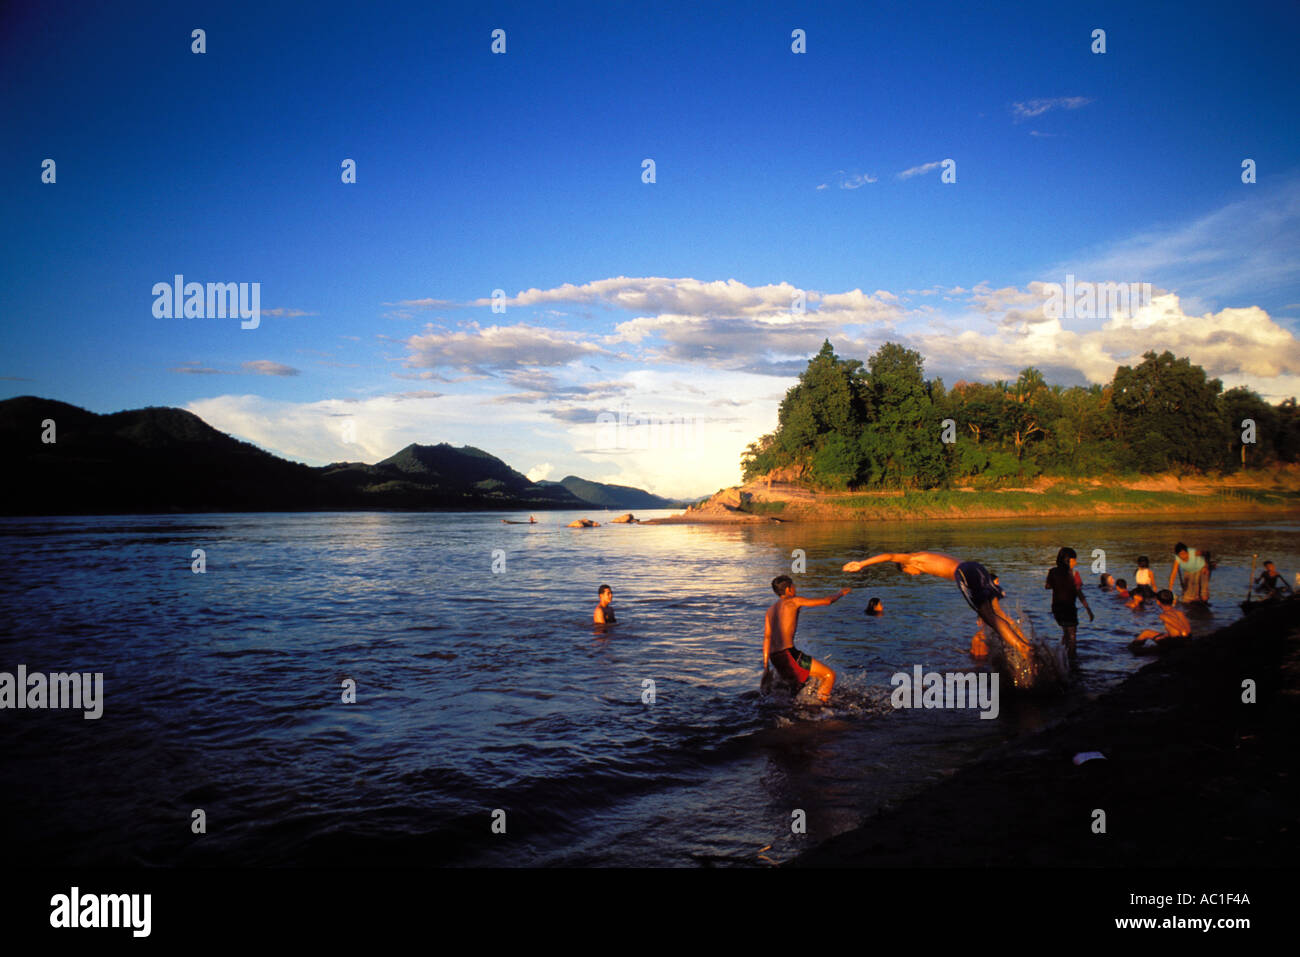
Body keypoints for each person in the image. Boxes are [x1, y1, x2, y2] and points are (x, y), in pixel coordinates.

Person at [842, 552, 1057, 690]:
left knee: (987, 615)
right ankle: (1024, 643)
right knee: (995, 611)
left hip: (964, 573)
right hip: (975, 566)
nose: (914, 575)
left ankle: (1021, 647)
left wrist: (862, 564)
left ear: (906, 566)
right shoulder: (930, 555)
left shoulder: (912, 558)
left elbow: (889, 556)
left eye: (909, 573)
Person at [762, 576, 846, 704]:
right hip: (788, 654)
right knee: (829, 675)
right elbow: (827, 601)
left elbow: (767, 637)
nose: (796, 589)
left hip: (775, 657)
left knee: (798, 685)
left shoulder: (770, 611)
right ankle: (821, 710)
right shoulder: (794, 601)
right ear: (789, 589)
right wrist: (841, 593)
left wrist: (766, 667)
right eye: (794, 586)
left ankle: (801, 709)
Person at [1045, 547, 1094, 661]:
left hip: (1057, 607)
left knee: (1065, 633)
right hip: (1069, 607)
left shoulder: (1052, 571)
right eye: (1074, 560)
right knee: (1072, 636)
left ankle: (1062, 658)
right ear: (1067, 560)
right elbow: (1079, 593)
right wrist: (1088, 610)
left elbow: (1047, 586)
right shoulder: (1074, 574)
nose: (1076, 562)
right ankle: (1072, 661)